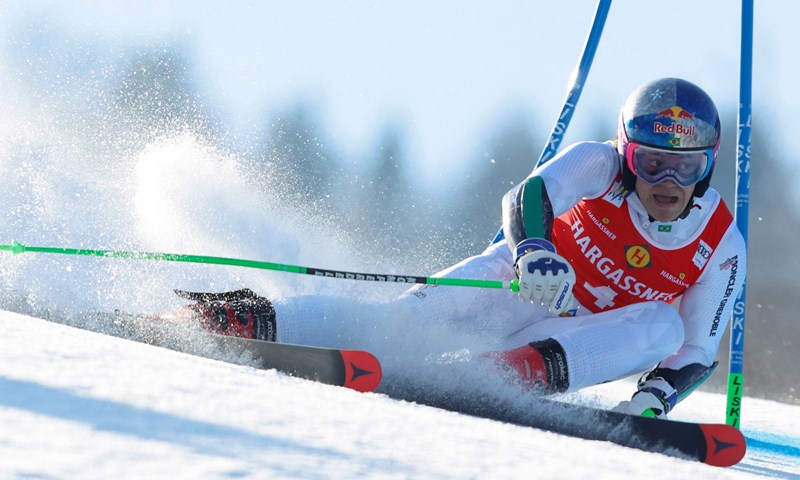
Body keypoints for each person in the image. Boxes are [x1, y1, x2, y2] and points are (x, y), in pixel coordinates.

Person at [179, 78, 746, 419]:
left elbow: (698, 348)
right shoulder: (597, 165)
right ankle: (240, 317)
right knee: (397, 324)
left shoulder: (722, 243)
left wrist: (656, 399)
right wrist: (534, 249)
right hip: (523, 289)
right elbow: (528, 193)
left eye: (685, 167)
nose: (667, 182)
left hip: (574, 343)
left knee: (665, 327)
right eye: (651, 162)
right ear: (627, 154)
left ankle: (495, 377)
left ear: (707, 164)